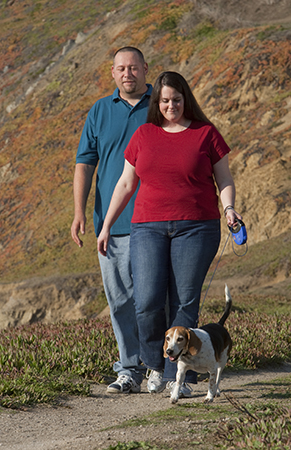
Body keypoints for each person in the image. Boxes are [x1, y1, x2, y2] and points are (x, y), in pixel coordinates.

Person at [97, 71, 242, 397]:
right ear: (156, 103)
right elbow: (125, 184)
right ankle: (154, 364)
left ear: (185, 99)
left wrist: (230, 209)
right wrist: (106, 226)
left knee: (184, 302)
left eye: (176, 100)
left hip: (197, 227)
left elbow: (225, 180)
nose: (171, 106)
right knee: (147, 300)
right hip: (148, 227)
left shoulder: (206, 133)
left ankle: (185, 378)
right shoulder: (144, 135)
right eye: (164, 101)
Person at [71, 47, 152, 394]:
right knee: (119, 301)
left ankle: (158, 366)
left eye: (134, 68)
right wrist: (79, 212)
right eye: (121, 68)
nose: (128, 74)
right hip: (111, 224)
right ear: (113, 73)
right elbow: (85, 163)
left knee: (152, 298)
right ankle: (130, 368)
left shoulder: (161, 105)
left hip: (154, 220)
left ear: (145, 69)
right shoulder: (100, 111)